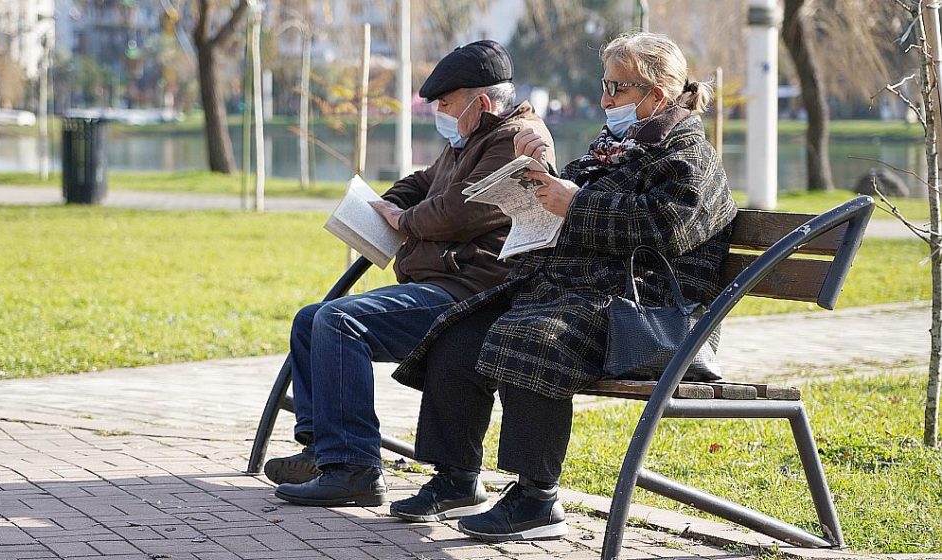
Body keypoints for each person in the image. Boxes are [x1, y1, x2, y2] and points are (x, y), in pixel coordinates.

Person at [388, 32, 738, 541]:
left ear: (658, 95)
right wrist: (534, 178)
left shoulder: (690, 156)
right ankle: (455, 477)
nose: (605, 100)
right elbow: (565, 200)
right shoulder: (613, 149)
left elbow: (664, 228)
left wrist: (573, 202)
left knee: (531, 337)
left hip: (641, 308)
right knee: (459, 332)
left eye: (617, 88)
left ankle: (537, 499)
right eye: (605, 85)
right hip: (579, 293)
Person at [269, 40, 555, 508]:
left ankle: (354, 468)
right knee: (310, 319)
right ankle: (324, 450)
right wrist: (386, 203)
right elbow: (424, 182)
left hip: (470, 290)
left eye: (446, 103)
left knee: (340, 321)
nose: (439, 113)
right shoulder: (469, 138)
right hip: (440, 282)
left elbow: (463, 210)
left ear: (481, 103)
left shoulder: (515, 140)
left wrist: (404, 220)